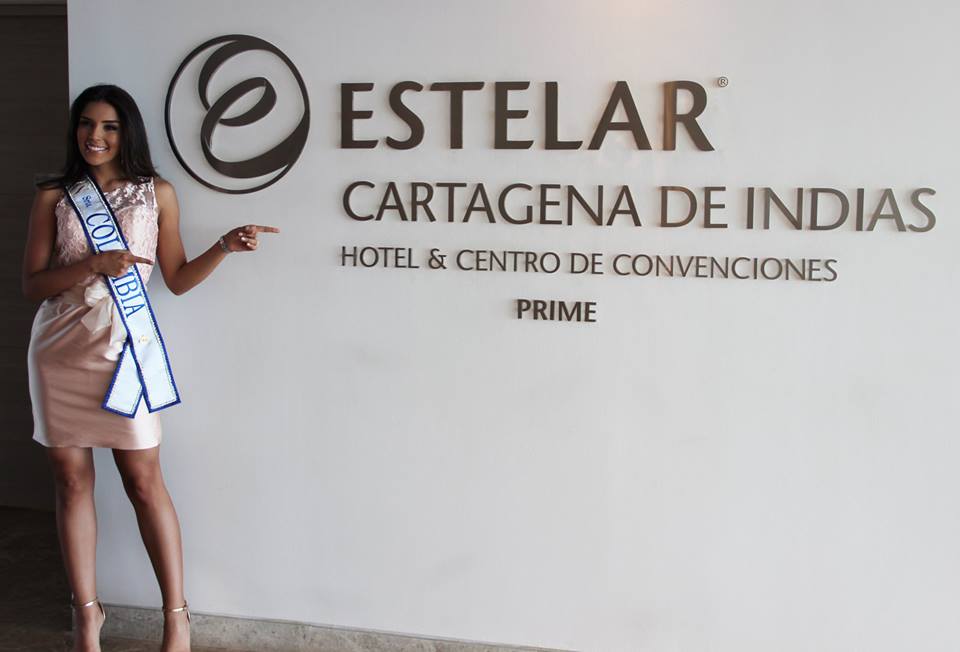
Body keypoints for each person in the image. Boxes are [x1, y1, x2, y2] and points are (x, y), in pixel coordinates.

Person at [21, 84, 278, 652]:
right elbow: (32, 285)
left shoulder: (156, 193)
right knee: (71, 481)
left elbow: (177, 279)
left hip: (125, 351)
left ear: (127, 132)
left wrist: (224, 246)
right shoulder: (54, 196)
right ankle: (87, 617)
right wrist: (92, 264)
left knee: (143, 481)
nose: (95, 136)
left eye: (109, 126)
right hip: (59, 349)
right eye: (87, 124)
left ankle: (177, 618)